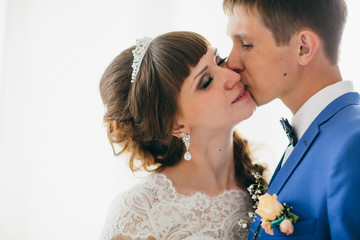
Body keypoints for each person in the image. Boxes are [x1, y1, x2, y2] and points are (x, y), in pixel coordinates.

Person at [99, 31, 266, 240]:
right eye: (206, 82)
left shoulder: (264, 183)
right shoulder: (139, 214)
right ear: (176, 125)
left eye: (220, 60)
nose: (233, 75)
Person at [223, 0, 360, 239]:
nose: (231, 63)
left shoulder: (352, 145)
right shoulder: (309, 134)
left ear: (303, 48)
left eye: (246, 44)